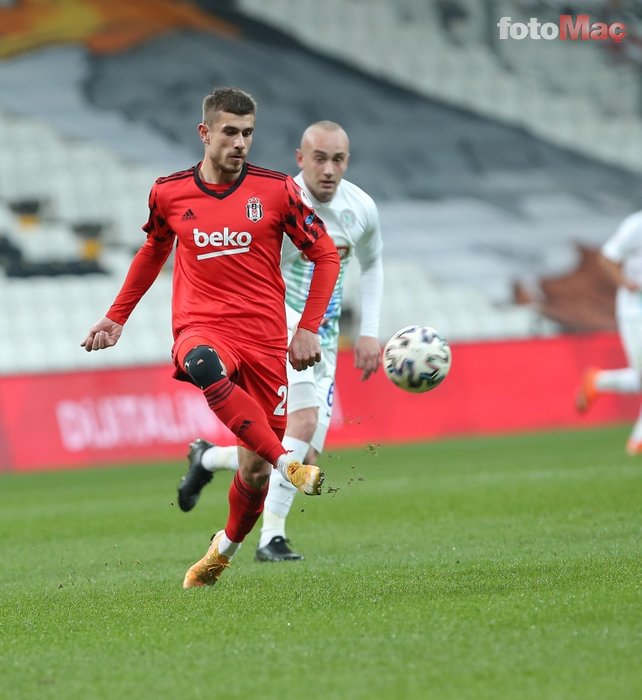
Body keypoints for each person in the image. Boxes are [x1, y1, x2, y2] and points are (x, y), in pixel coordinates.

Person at [81, 87, 340, 587]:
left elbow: (325, 255)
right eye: (229, 132)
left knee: (253, 474)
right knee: (203, 363)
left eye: (247, 133)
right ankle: (289, 461)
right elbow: (153, 250)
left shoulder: (278, 191)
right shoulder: (169, 192)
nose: (240, 143)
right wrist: (117, 317)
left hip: (265, 340)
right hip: (202, 328)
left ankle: (222, 550)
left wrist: (307, 327)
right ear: (205, 133)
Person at [177, 120, 384, 561]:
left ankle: (208, 458)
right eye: (319, 158)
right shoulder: (272, 201)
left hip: (320, 339)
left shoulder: (360, 207)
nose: (329, 169)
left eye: (339, 159)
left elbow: (374, 264)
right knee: (303, 424)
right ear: (300, 159)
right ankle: (271, 537)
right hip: (276, 331)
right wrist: (293, 329)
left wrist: (367, 332)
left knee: (300, 450)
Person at [576, 209, 642, 455]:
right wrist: (624, 282)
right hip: (636, 312)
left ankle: (600, 381)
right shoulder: (636, 224)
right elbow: (607, 257)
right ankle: (637, 443)